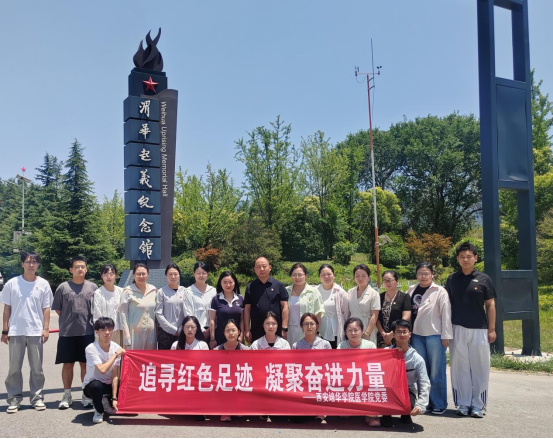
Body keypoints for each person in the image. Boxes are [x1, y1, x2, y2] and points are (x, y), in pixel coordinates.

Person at [445, 242, 497, 418]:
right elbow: (446, 305)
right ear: (457, 259)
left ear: (475, 258)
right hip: (457, 328)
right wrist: (446, 330)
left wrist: (492, 329)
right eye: (462, 257)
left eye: (469, 256)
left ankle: (478, 405)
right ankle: (463, 403)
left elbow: (490, 304)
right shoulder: (452, 279)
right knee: (460, 366)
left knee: (480, 367)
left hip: (479, 329)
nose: (465, 260)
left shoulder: (484, 279)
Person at [1, 251, 52, 413]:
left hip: (35, 331)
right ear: (22, 263)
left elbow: (46, 308)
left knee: (37, 368)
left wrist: (45, 328)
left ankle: (37, 398)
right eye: (28, 261)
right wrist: (5, 330)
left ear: (38, 264)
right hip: (16, 331)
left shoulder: (43, 284)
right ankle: (14, 399)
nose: (31, 265)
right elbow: (7, 308)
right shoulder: (12, 283)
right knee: (14, 368)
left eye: (34, 262)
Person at [406, 262, 452, 415]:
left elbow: (446, 314)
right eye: (420, 273)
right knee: (421, 370)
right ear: (416, 275)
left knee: (436, 370)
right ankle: (424, 403)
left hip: (434, 335)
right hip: (416, 335)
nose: (423, 276)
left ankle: (439, 403)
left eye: (426, 273)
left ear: (432, 274)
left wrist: (446, 335)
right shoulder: (411, 289)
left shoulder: (439, 291)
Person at [52, 256, 97, 409]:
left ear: (86, 269)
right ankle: (67, 395)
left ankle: (86, 395)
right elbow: (58, 309)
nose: (80, 269)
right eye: (76, 266)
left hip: (87, 332)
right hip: (67, 333)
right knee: (68, 364)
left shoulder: (93, 287)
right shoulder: (63, 287)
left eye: (82, 266)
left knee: (86, 364)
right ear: (71, 269)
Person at [381, 319, 430, 428]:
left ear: (410, 334)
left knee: (409, 408)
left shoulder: (417, 359)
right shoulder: (385, 352)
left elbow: (424, 382)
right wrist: (392, 356)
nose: (402, 335)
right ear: (393, 335)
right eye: (398, 332)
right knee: (385, 423)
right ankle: (386, 414)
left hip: (407, 390)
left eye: (404, 332)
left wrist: (421, 405)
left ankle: (406, 413)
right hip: (388, 390)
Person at [82, 317, 125, 424]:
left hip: (108, 384)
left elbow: (115, 375)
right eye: (103, 330)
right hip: (92, 386)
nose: (107, 333)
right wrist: (115, 355)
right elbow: (102, 369)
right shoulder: (91, 348)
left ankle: (107, 401)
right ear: (97, 332)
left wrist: (114, 398)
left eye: (110, 329)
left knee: (126, 384)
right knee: (96, 386)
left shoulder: (116, 347)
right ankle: (99, 410)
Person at [338, 317, 378, 427]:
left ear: (362, 331)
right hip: (348, 379)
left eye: (356, 330)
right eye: (350, 330)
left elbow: (373, 366)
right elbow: (339, 365)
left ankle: (372, 415)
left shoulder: (370, 345)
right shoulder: (342, 346)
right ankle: (348, 408)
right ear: (345, 332)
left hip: (366, 378)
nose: (353, 333)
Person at [244, 257, 289, 344]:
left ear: (270, 267)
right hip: (257, 328)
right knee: (257, 351)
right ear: (255, 269)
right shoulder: (250, 286)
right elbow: (247, 309)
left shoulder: (279, 285)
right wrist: (247, 330)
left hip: (275, 328)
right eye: (258, 267)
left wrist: (284, 328)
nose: (261, 269)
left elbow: (285, 306)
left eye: (264, 266)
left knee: (276, 350)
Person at [214, 319, 250, 423]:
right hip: (223, 381)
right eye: (228, 330)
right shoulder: (216, 350)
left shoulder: (246, 350)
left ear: (239, 332)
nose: (231, 333)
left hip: (240, 379)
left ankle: (238, 407)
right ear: (223, 333)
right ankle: (225, 411)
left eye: (233, 330)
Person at [155, 263, 194, 350]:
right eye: (170, 274)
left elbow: (188, 312)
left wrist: (181, 328)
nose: (173, 277)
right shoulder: (161, 292)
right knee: (165, 358)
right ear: (166, 276)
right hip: (165, 333)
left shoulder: (185, 291)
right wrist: (172, 329)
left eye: (175, 274)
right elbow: (158, 313)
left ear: (179, 275)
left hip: (183, 332)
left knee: (182, 357)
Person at [286, 263, 324, 347]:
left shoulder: (313, 292)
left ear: (306, 276)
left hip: (308, 329)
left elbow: (318, 312)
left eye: (300, 275)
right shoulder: (286, 291)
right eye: (294, 275)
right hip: (289, 330)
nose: (297, 277)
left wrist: (316, 331)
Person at [120, 263, 157, 350]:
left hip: (151, 333)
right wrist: (126, 334)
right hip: (134, 333)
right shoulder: (128, 291)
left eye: (143, 274)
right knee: (135, 356)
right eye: (138, 274)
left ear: (148, 275)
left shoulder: (153, 290)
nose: (141, 276)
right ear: (133, 275)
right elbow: (122, 313)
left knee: (150, 357)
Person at [317, 264, 350, 349]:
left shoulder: (340, 292)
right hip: (320, 330)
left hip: (336, 330)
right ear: (319, 277)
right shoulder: (316, 291)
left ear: (334, 275)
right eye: (323, 275)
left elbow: (346, 314)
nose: (326, 277)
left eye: (329, 274)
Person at [375, 270, 411, 348]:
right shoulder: (379, 297)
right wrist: (383, 333)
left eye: (390, 280)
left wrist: (392, 334)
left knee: (399, 355)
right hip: (383, 336)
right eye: (385, 280)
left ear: (397, 281)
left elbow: (406, 317)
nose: (388, 283)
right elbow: (376, 317)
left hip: (399, 335)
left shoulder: (404, 297)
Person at [209, 271, 244, 349]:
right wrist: (212, 339)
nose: (228, 285)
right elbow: (212, 320)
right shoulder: (215, 299)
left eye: (230, 282)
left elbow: (242, 319)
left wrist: (241, 335)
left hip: (236, 338)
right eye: (225, 282)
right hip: (220, 337)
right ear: (220, 283)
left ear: (234, 283)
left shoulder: (240, 298)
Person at [347, 264, 380, 345]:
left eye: (363, 276)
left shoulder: (374, 293)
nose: (360, 278)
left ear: (368, 277)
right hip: (352, 327)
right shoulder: (350, 292)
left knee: (367, 349)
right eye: (357, 276)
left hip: (367, 326)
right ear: (354, 277)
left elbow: (374, 316)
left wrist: (367, 333)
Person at [92, 264, 123, 346]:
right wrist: (102, 331)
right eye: (105, 274)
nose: (109, 277)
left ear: (116, 275)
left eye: (111, 274)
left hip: (118, 330)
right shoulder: (98, 293)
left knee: (117, 352)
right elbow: (97, 314)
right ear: (101, 276)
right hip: (103, 331)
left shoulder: (121, 292)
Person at [187, 262, 217, 344]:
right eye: (198, 273)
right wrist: (201, 330)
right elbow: (188, 313)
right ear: (193, 274)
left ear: (208, 274)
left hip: (212, 331)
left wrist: (210, 330)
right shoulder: (188, 291)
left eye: (204, 273)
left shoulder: (213, 291)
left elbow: (216, 312)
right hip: (194, 330)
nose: (201, 275)